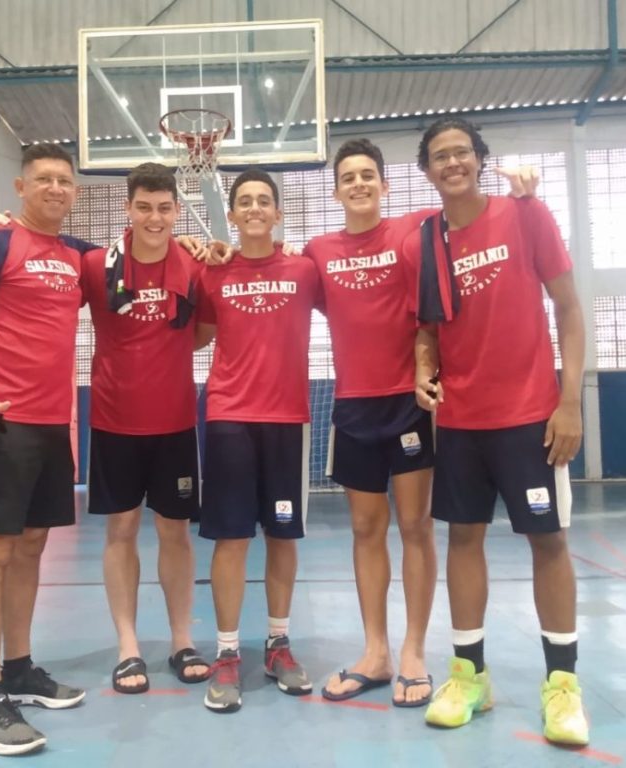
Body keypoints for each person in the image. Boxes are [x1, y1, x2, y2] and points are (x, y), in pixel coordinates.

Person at [310, 139, 537, 707]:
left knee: (414, 526)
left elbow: (474, 212)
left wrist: (522, 191)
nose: (359, 184)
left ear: (386, 186)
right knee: (366, 530)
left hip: (411, 403)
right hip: (354, 407)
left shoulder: (417, 229)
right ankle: (375, 652)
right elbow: (277, 274)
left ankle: (413, 650)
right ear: (336, 190)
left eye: (369, 175)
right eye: (348, 177)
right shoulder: (318, 251)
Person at [409, 117, 589, 746]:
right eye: (439, 156)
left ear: (480, 160)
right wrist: (423, 373)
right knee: (463, 540)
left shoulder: (526, 214)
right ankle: (469, 676)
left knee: (548, 543)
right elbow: (428, 332)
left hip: (532, 418)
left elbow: (568, 309)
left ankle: (562, 687)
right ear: (427, 170)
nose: (452, 163)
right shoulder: (426, 241)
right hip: (460, 423)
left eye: (462, 152)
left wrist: (570, 403)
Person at [0, 144, 91, 756]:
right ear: (21, 186)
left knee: (33, 545)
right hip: (2, 422)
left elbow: (136, 254)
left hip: (53, 423)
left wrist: (193, 244)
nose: (55, 188)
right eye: (44, 180)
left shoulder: (77, 256)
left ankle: (20, 668)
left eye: (65, 181)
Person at [79, 162, 210, 694]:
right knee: (122, 530)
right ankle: (129, 647)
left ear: (177, 211)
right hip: (113, 423)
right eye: (144, 207)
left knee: (175, 531)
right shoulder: (97, 265)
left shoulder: (195, 268)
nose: (154, 218)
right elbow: (49, 256)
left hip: (175, 423)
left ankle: (182, 639)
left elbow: (204, 332)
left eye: (164, 208)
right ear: (128, 209)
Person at [194, 169, 322, 713]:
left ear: (277, 213)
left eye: (263, 201)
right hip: (228, 415)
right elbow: (196, 332)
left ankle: (277, 644)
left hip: (287, 418)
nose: (253, 208)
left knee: (282, 535)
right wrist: (189, 249)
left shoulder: (304, 269)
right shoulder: (211, 274)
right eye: (244, 201)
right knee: (231, 538)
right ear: (235, 212)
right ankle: (226, 653)